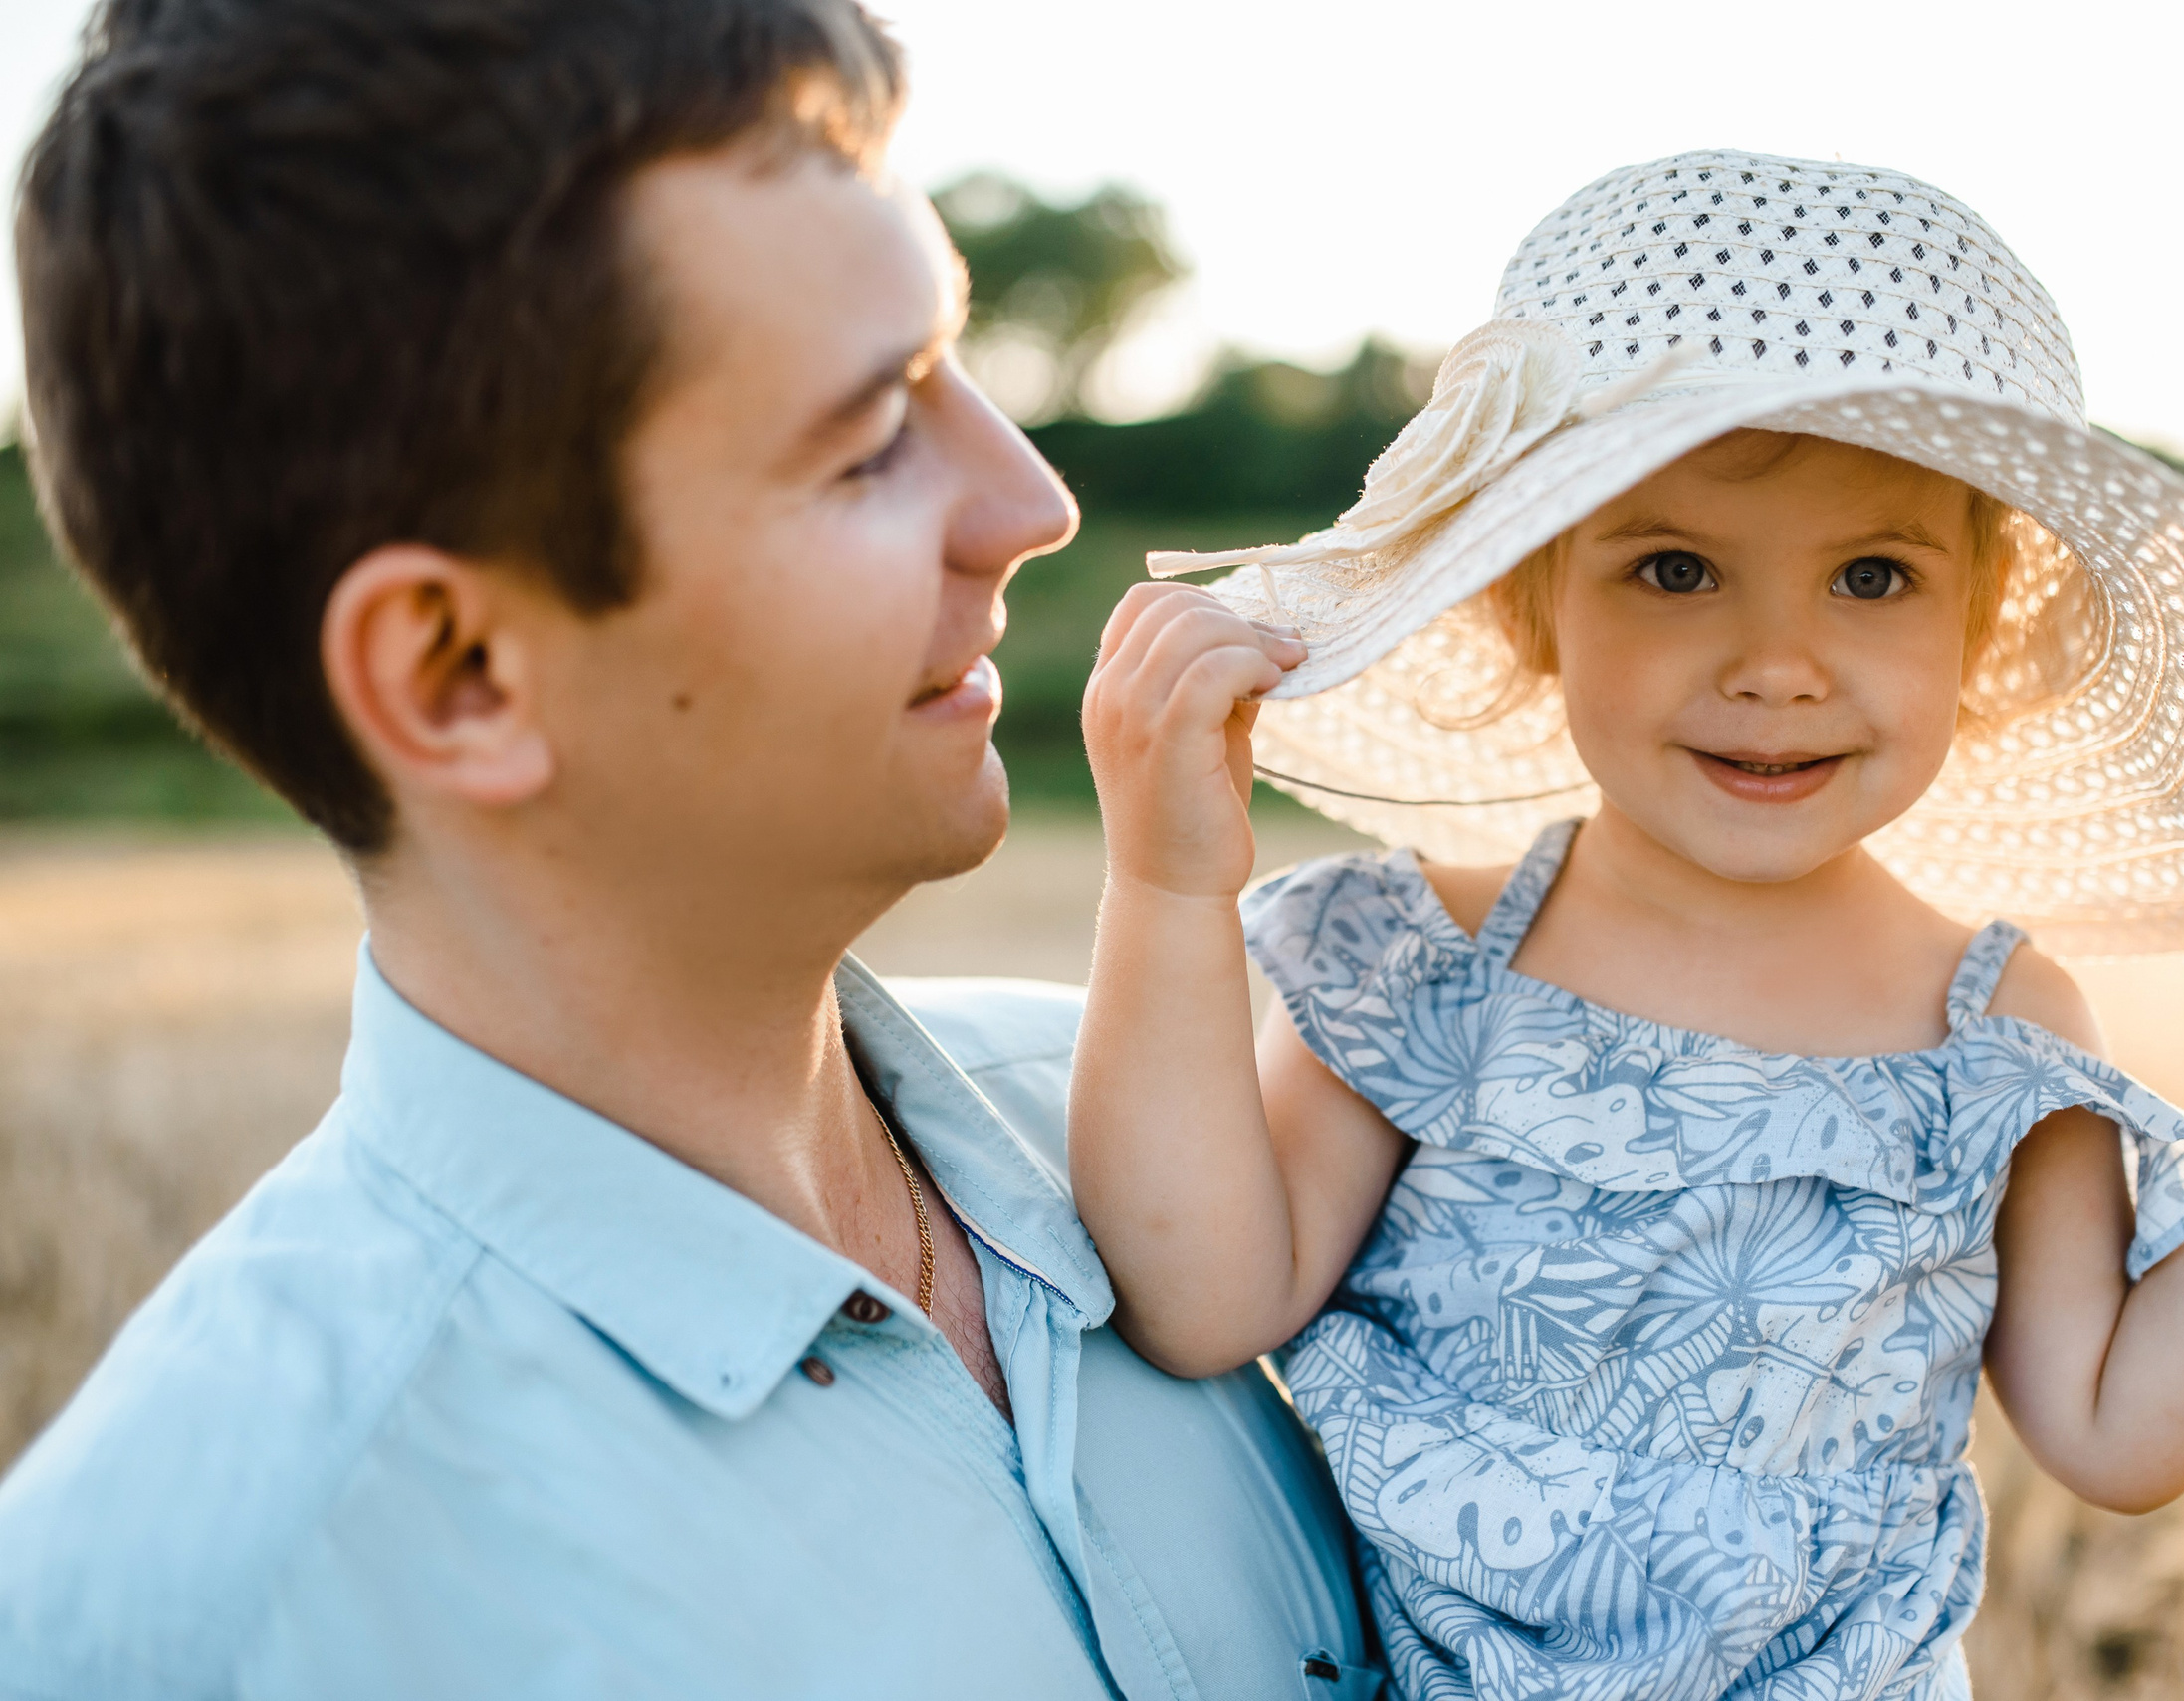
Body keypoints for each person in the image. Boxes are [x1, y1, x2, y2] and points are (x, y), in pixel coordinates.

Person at [0, 3, 1378, 1697]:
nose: (1032, 503)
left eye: (962, 369)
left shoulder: (1189, 1145)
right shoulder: (190, 1620)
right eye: (874, 433)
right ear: (459, 672)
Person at [1070, 150, 2184, 1699]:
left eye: (1874, 576)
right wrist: (1170, 888)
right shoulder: (1439, 959)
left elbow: (2116, 1426)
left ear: (1976, 632)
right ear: (1529, 600)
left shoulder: (1991, 1026)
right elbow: (1204, 1293)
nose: (1778, 662)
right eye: (1678, 567)